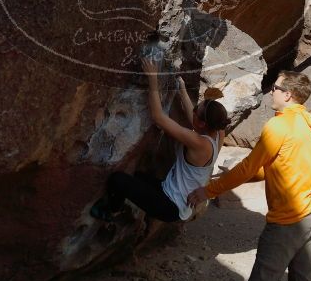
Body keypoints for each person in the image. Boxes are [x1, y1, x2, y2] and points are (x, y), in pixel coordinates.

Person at [188, 71, 311, 281]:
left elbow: (250, 166)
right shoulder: (309, 122)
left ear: (288, 94)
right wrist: (234, 179)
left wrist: (209, 190)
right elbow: (272, 165)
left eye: (275, 88)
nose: (270, 92)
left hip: (288, 222)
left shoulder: (278, 127)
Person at [90, 57, 231, 223]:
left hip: (170, 206)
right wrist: (182, 90)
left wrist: (153, 78)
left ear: (202, 123)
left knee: (118, 180)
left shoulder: (199, 143)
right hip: (173, 195)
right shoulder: (217, 134)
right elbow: (193, 117)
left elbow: (158, 117)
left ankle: (111, 211)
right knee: (137, 176)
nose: (192, 110)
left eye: (196, 110)